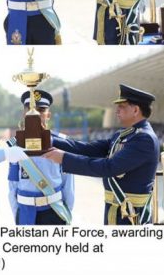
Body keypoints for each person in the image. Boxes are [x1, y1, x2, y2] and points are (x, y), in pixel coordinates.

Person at [44, 84, 159, 225]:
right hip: (116, 209)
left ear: (135, 110)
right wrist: (50, 139)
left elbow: (108, 167)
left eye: (122, 106)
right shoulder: (123, 134)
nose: (117, 109)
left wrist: (64, 158)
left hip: (132, 215)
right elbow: (89, 149)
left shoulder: (144, 139)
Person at [8, 90, 74, 225]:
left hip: (54, 212)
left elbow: (68, 185)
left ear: (48, 115)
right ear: (24, 114)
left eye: (41, 110)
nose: (36, 114)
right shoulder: (15, 145)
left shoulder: (61, 143)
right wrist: (17, 216)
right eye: (31, 109)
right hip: (25, 213)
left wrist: (66, 214)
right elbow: (12, 184)